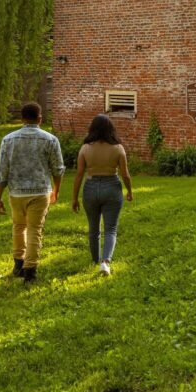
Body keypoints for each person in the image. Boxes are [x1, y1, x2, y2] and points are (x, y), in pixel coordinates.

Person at [0, 102, 64, 285]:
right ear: (40, 118)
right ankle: (30, 272)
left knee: (18, 227)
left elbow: (2, 172)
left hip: (16, 193)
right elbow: (58, 169)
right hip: (40, 192)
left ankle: (18, 265)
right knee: (34, 230)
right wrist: (56, 190)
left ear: (22, 119)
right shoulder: (50, 140)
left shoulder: (8, 140)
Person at [71, 114, 133, 276]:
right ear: (110, 129)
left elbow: (78, 175)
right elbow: (125, 174)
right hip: (112, 187)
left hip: (90, 188)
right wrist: (129, 191)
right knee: (111, 228)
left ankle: (95, 260)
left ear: (92, 129)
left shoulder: (85, 148)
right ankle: (105, 262)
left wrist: (74, 198)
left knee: (93, 229)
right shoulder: (118, 148)